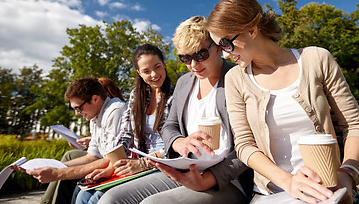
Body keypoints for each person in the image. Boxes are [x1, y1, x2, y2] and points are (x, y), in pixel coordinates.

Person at [206, 0, 359, 204]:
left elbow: (355, 125)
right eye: (220, 48)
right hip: (272, 195)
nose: (226, 55)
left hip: (329, 190)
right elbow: (245, 145)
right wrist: (290, 182)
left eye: (226, 44)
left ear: (252, 30)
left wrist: (347, 173)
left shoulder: (316, 59)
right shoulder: (235, 79)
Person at [98, 16, 253, 204]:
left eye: (201, 54)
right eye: (186, 58)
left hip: (226, 179)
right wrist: (179, 142)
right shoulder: (185, 82)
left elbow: (249, 143)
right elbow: (169, 126)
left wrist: (207, 179)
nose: (194, 65)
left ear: (217, 47)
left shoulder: (237, 78)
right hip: (186, 169)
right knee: (111, 199)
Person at [75, 44, 174, 204]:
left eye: (157, 67)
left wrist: (142, 164)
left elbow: (174, 145)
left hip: (162, 163)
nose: (154, 75)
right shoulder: (137, 95)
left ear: (164, 64)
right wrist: (112, 167)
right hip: (137, 162)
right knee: (84, 194)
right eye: (146, 71)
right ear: (139, 73)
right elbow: (125, 135)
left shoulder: (174, 96)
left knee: (100, 198)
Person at [14, 76, 128, 204]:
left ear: (95, 99)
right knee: (76, 190)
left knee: (80, 194)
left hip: (121, 168)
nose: (77, 113)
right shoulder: (94, 116)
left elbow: (112, 159)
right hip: (108, 167)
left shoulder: (115, 111)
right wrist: (50, 166)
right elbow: (92, 157)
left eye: (78, 108)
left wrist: (58, 173)